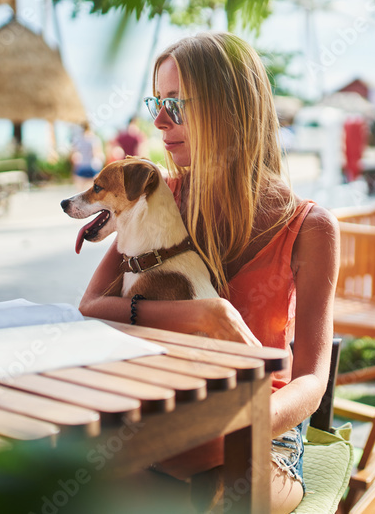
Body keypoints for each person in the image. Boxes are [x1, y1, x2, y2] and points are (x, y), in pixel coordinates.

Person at [79, 32, 339, 514]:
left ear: (230, 110)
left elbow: (310, 381)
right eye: (157, 101)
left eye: (176, 105)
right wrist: (205, 314)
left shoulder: (309, 227)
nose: (157, 121)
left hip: (264, 437)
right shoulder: (159, 199)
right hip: (168, 418)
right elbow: (92, 306)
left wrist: (233, 423)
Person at [70, 122, 104, 191]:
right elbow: (97, 154)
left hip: (81, 166)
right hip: (93, 166)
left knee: (80, 191)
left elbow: (74, 155)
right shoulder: (94, 139)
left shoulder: (78, 140)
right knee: (93, 192)